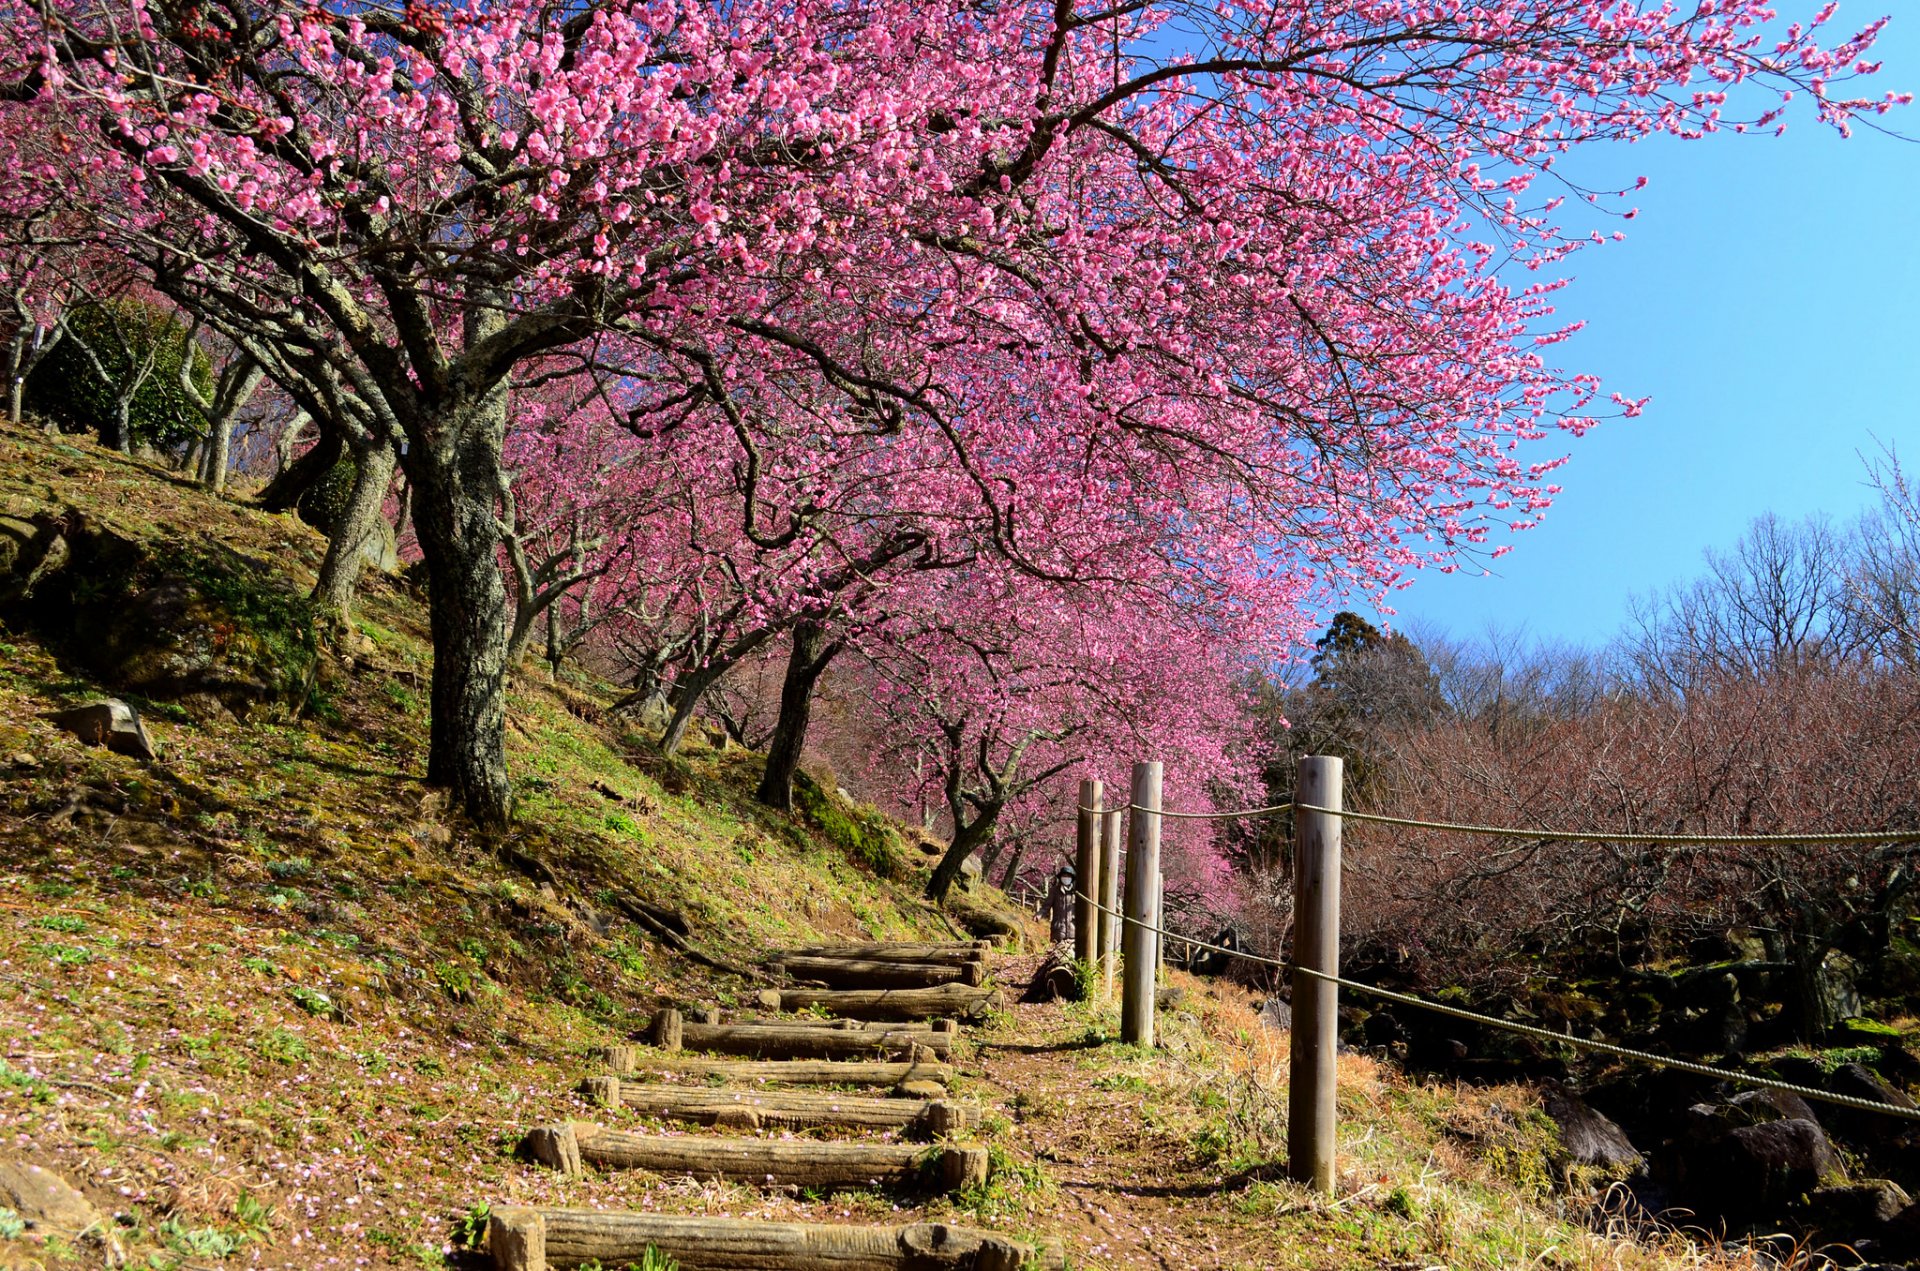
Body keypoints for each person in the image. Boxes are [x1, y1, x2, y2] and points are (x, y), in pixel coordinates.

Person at [1046, 863, 1077, 944]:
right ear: (1060, 878)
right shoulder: (1054, 891)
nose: (1066, 878)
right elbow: (1046, 906)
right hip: (1058, 931)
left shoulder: (1076, 892)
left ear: (1072, 878)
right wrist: (1039, 915)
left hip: (1073, 931)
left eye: (1068, 876)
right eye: (1064, 876)